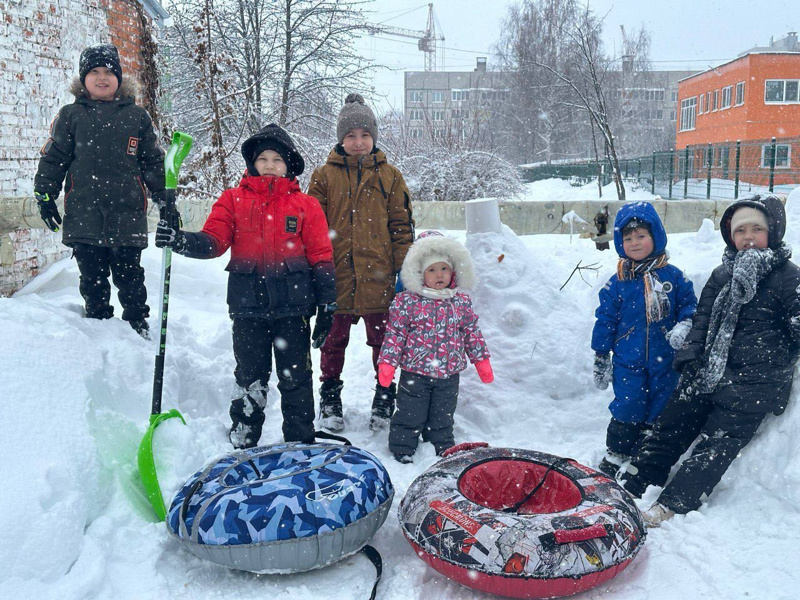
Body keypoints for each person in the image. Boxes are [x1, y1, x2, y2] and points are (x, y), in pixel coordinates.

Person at [619, 195, 800, 526]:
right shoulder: (722, 273)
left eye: (756, 229)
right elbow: (702, 322)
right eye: (740, 229)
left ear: (773, 231)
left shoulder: (789, 277)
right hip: (711, 371)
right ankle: (633, 483)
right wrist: (690, 357)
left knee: (717, 444)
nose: (747, 237)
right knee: (671, 423)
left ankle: (672, 503)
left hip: (756, 383)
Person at [155, 124, 336, 448]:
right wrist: (181, 241)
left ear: (289, 165)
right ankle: (244, 436)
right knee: (250, 376)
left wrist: (327, 305)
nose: (269, 164)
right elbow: (214, 240)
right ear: (252, 163)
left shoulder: (306, 206)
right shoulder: (233, 200)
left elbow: (322, 256)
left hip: (293, 310)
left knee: (296, 380)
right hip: (247, 308)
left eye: (277, 159)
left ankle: (301, 441)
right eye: (263, 158)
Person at [34, 43, 166, 338]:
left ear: (119, 77)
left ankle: (138, 328)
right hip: (84, 214)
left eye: (109, 71)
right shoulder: (71, 115)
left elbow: (153, 162)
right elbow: (55, 157)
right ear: (84, 79)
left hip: (127, 216)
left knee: (131, 279)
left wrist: (165, 198)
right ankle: (97, 331)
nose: (102, 77)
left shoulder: (137, 116)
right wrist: (45, 194)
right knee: (92, 281)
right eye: (94, 72)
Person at [307, 93, 415, 432]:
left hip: (378, 279)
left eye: (365, 135)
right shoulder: (323, 176)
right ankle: (330, 396)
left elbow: (401, 226)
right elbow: (313, 227)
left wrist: (405, 272)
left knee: (384, 343)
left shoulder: (390, 177)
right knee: (332, 341)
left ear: (374, 138)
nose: (358, 142)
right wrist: (316, 269)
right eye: (351, 135)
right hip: (336, 278)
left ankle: (384, 394)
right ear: (341, 139)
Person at [592, 201, 697, 477]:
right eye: (627, 238)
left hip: (666, 360)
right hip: (628, 360)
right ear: (619, 242)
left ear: (656, 237)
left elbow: (690, 307)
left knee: (661, 405)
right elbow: (605, 320)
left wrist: (684, 326)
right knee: (628, 403)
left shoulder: (673, 276)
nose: (635, 243)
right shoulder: (617, 282)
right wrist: (601, 354)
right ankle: (617, 451)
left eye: (641, 236)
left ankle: (647, 450)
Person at [376, 231, 493, 463]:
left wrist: (482, 361)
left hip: (449, 373)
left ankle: (441, 445)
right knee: (410, 412)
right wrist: (387, 363)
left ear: (453, 272)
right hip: (414, 372)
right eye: (432, 270)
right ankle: (403, 446)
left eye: (444, 269)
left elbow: (471, 332)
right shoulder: (407, 302)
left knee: (443, 414)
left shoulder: (460, 302)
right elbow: (395, 334)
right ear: (419, 273)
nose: (439, 275)